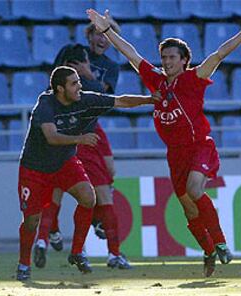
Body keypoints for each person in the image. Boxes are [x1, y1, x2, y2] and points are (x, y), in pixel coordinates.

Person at [87, 8, 241, 277]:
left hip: (199, 147)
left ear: (184, 60)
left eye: (172, 57)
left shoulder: (194, 78)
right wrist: (105, 30)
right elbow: (130, 53)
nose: (166, 61)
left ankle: (221, 243)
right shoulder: (156, 80)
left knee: (195, 189)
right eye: (164, 57)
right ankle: (208, 250)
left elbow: (220, 54)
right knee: (188, 208)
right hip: (175, 155)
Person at [16, 66, 159, 281]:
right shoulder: (45, 104)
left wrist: (149, 100)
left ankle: (76, 252)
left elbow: (121, 100)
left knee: (88, 197)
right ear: (60, 89)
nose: (79, 87)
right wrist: (80, 139)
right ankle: (24, 265)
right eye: (74, 83)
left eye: (79, 82)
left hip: (64, 163)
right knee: (31, 221)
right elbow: (51, 137)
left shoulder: (85, 100)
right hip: (34, 169)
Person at [33, 18, 133, 271]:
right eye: (98, 34)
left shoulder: (110, 66)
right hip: (68, 128)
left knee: (108, 173)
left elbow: (104, 99)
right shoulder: (72, 53)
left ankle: (93, 225)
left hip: (91, 128)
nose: (102, 39)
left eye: (108, 36)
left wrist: (87, 76)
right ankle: (55, 234)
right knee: (60, 186)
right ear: (89, 35)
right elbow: (54, 86)